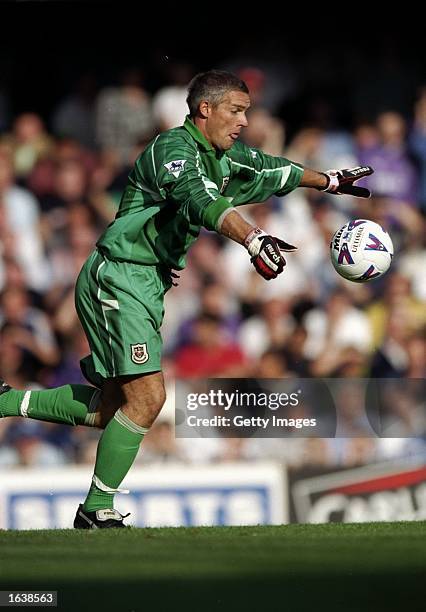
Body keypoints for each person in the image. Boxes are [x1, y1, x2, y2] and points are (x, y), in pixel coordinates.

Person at [0, 70, 373, 528]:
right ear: (205, 109)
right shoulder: (171, 150)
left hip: (147, 283)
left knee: (113, 409)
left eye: (247, 112)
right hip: (119, 275)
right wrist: (254, 239)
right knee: (149, 398)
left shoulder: (225, 155)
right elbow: (201, 201)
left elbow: (276, 170)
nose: (243, 121)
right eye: (236, 111)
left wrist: (329, 181)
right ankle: (96, 510)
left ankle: (6, 402)